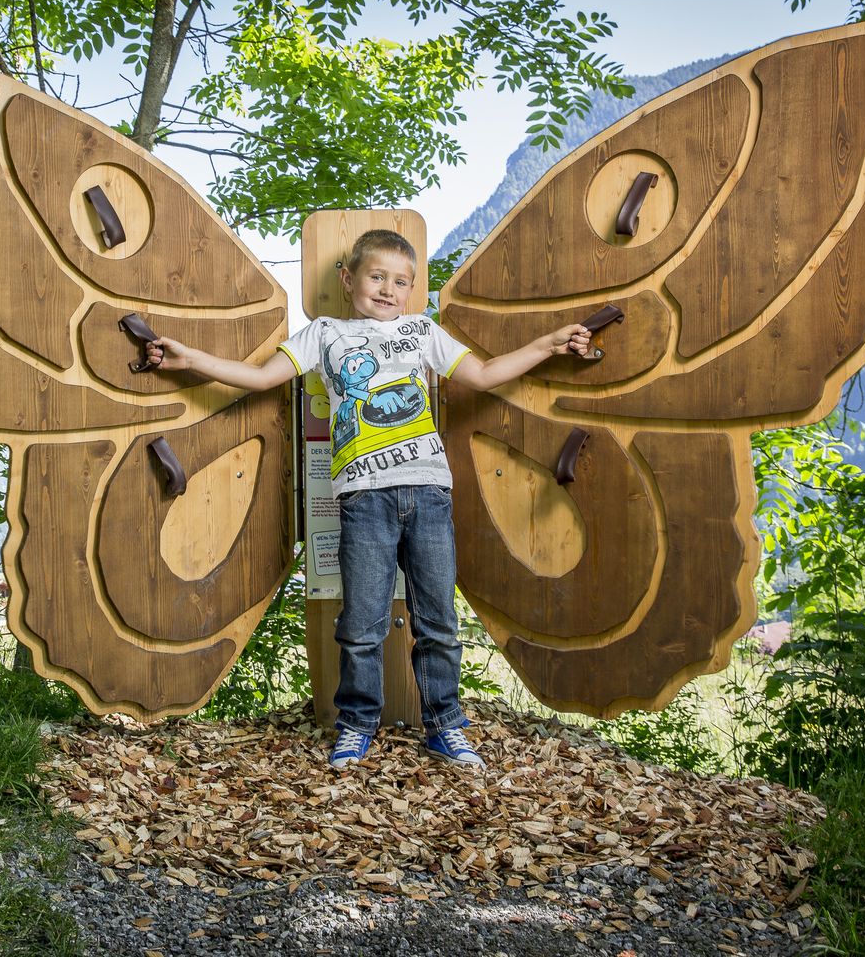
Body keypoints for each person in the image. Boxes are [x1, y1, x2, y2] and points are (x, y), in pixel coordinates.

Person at [148, 229, 590, 771]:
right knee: (361, 622)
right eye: (376, 276)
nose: (388, 289)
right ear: (348, 278)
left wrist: (548, 344)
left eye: (400, 281)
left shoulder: (422, 332)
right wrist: (188, 357)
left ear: (412, 291)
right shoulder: (324, 334)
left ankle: (445, 726)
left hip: (428, 491)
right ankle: (357, 725)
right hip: (362, 497)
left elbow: (483, 374)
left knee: (438, 621)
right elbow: (260, 377)